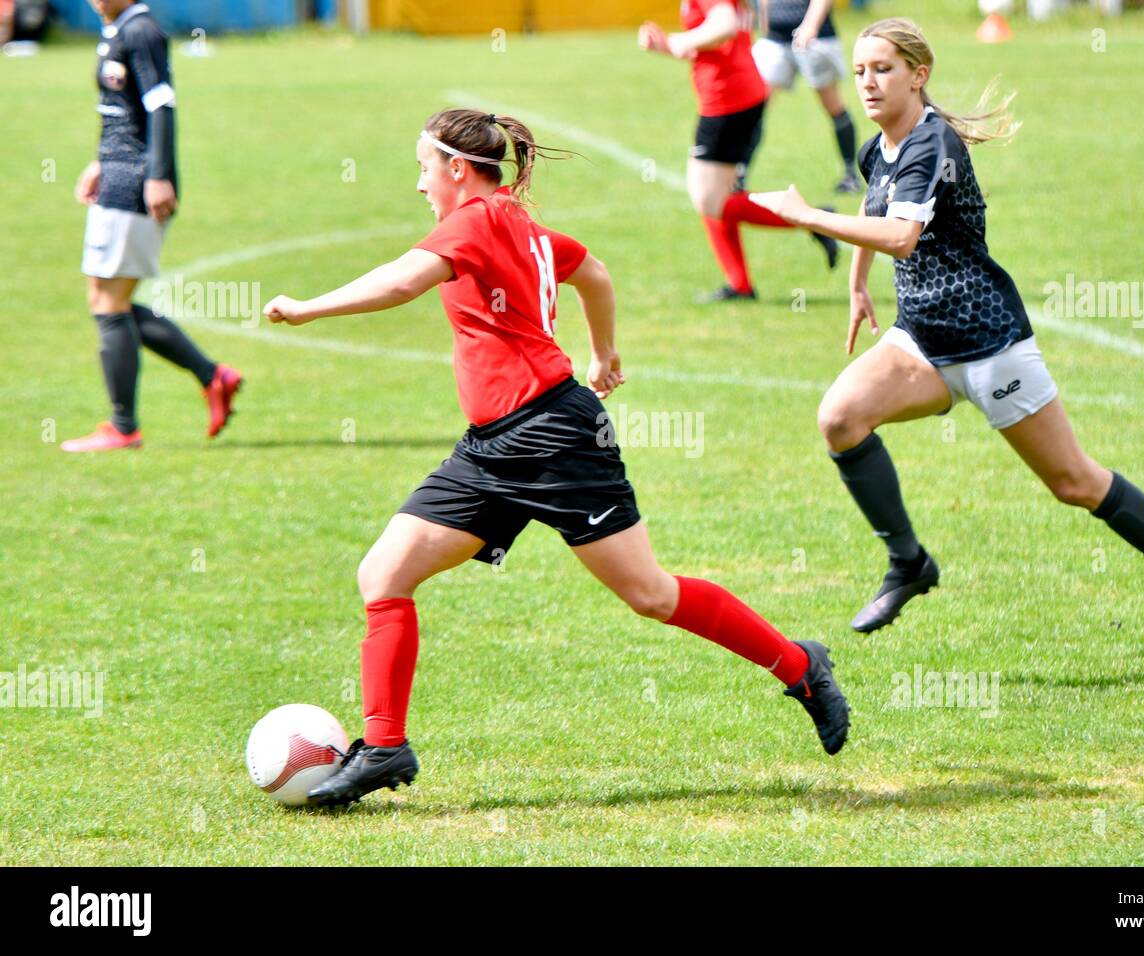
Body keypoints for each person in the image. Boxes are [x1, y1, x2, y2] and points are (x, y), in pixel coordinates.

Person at [262, 108, 851, 806]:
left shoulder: (477, 221)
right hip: (490, 448)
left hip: (554, 439)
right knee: (384, 572)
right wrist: (605, 351)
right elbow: (592, 270)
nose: (419, 184)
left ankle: (800, 666)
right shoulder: (519, 223)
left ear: (457, 168)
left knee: (649, 594)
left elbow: (400, 282)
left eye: (423, 167)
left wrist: (305, 309)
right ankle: (385, 746)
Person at [752, 19, 1144, 667]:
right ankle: (909, 562)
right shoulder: (881, 147)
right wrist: (857, 286)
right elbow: (876, 212)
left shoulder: (934, 143)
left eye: (883, 69)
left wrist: (808, 216)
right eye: (862, 69)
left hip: (989, 344)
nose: (867, 82)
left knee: (1074, 482)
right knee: (840, 417)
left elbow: (899, 235)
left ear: (918, 74)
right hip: (922, 341)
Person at [64, 1, 241, 453]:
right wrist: (100, 160)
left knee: (108, 301)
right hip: (120, 172)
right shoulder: (118, 28)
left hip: (136, 182)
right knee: (109, 300)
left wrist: (157, 174)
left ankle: (124, 427)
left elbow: (161, 105)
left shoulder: (141, 31)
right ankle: (212, 376)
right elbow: (121, 111)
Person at [638, 0, 838, 302]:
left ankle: (814, 218)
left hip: (728, 100)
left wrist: (679, 40)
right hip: (736, 94)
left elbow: (725, 25)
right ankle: (740, 284)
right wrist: (667, 46)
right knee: (714, 195)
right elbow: (719, 41)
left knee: (710, 200)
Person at [746, 0, 861, 194]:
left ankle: (851, 175)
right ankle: (738, 174)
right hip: (775, 38)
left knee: (833, 105)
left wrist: (811, 25)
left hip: (815, 38)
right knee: (754, 107)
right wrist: (765, 22)